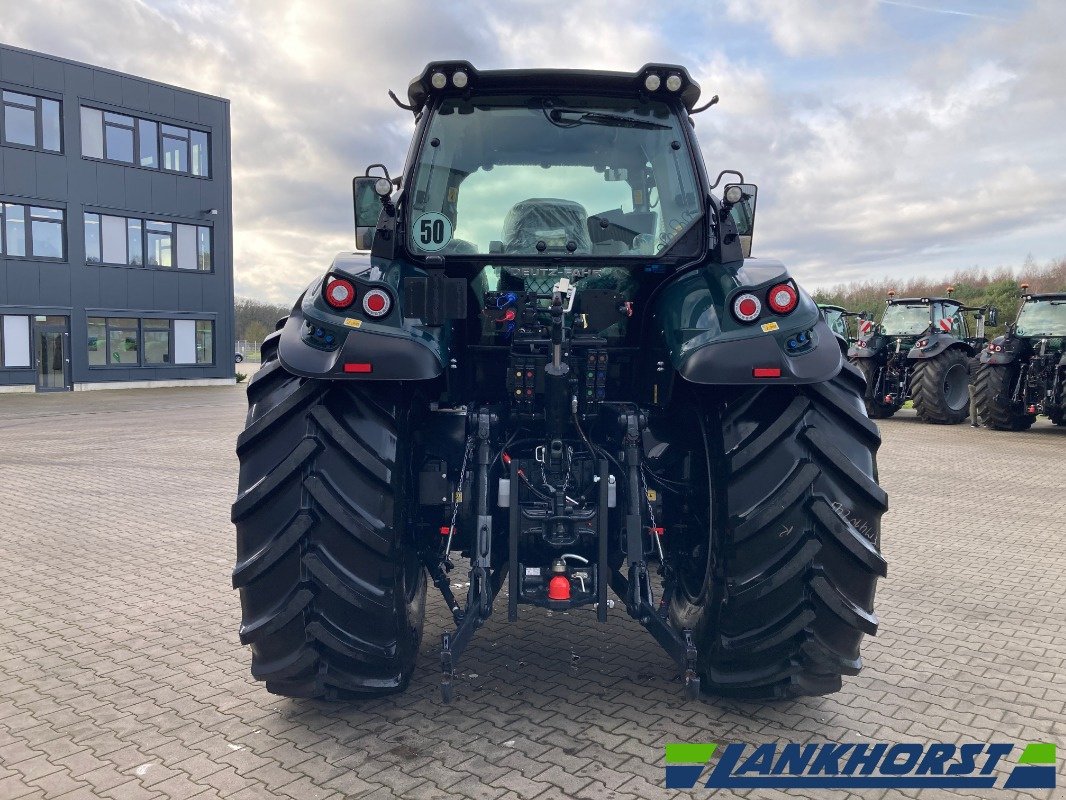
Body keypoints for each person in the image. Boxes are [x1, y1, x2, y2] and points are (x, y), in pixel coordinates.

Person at [968, 353, 982, 427]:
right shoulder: (984, 361)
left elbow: (967, 372)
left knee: (973, 402)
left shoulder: (971, 361)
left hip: (971, 384)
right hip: (981, 384)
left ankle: (973, 422)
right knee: (983, 402)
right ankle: (985, 421)